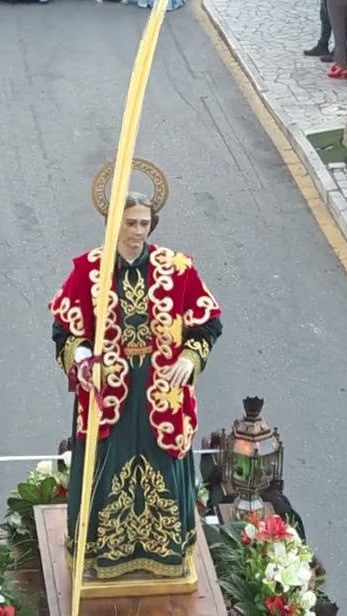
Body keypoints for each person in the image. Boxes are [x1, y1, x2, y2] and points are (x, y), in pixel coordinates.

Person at [49, 160, 223, 581]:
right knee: (106, 467)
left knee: (164, 464)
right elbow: (64, 331)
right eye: (130, 223)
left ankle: (167, 553)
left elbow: (208, 323)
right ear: (114, 223)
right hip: (109, 391)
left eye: (145, 223)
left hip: (161, 388)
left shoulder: (177, 268)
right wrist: (84, 360)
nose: (138, 231)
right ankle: (100, 554)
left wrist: (189, 359)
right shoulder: (88, 270)